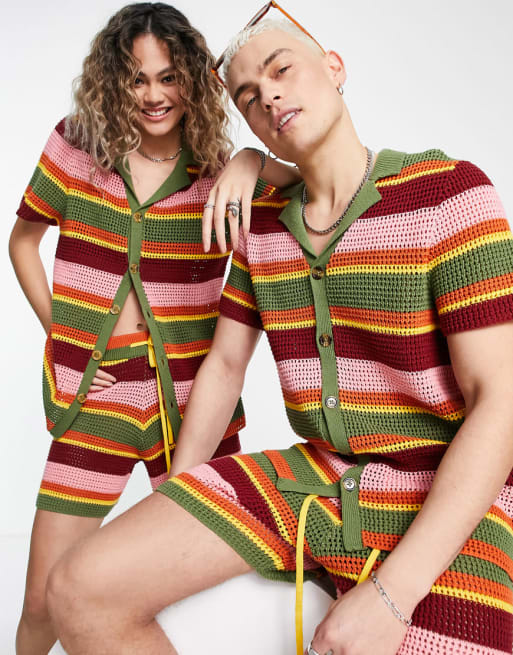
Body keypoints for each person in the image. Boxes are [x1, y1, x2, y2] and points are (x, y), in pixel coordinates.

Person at [45, 8, 513, 655]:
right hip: (312, 478)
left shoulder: (448, 194)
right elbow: (224, 365)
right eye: (246, 95)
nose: (266, 94)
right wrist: (177, 495)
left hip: (450, 491)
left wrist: (392, 594)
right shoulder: (262, 224)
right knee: (77, 587)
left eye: (281, 69)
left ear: (334, 67)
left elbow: (502, 403)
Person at [8, 4, 301, 654]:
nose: (153, 95)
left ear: (191, 79)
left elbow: (308, 183)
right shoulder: (76, 146)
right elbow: (22, 242)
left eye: (168, 77)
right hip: (99, 397)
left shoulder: (216, 170)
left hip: (192, 406)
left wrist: (251, 160)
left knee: (203, 591)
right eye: (136, 79)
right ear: (113, 80)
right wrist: (62, 336)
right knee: (42, 599)